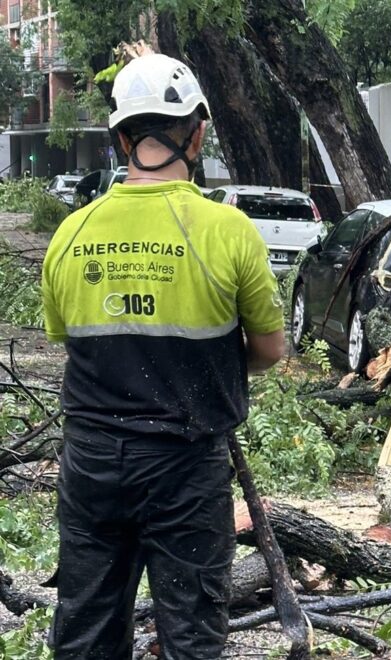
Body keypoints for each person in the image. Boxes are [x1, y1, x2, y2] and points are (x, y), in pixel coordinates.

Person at [41, 53, 285, 658]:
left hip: (92, 461)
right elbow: (270, 349)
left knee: (86, 627)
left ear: (121, 138)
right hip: (185, 464)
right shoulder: (228, 231)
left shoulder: (71, 234)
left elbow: (70, 339)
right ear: (197, 133)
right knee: (191, 634)